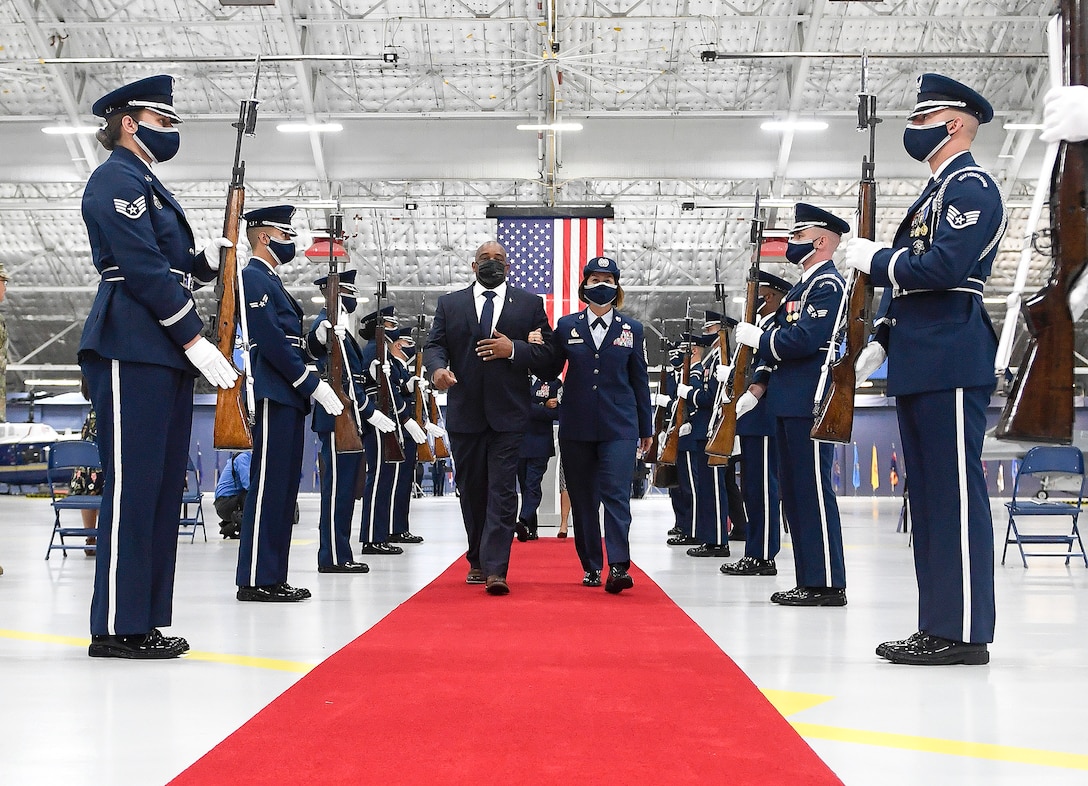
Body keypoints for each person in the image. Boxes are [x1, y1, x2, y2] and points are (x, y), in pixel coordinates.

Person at [846, 74, 1007, 665]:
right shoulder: (932, 195)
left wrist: (880, 261)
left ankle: (964, 630)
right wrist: (884, 336)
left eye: (922, 120)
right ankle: (939, 624)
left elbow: (942, 267)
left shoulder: (971, 187)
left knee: (955, 498)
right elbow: (913, 285)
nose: (912, 131)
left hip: (950, 354)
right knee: (932, 500)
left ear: (956, 123)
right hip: (921, 355)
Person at [79, 75, 238, 659]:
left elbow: (168, 263)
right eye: (163, 121)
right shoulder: (114, 179)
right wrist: (194, 336)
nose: (171, 133)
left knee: (161, 488)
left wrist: (205, 262)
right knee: (133, 486)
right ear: (129, 121)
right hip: (130, 341)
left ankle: (141, 619)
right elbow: (140, 267)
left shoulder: (145, 181)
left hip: (159, 346)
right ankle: (116, 625)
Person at [423, 240, 556, 595]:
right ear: (473, 265)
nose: (492, 263)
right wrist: (437, 370)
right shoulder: (449, 304)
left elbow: (547, 356)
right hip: (465, 413)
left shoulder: (529, 305)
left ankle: (497, 569)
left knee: (501, 491)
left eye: (499, 259)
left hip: (509, 415)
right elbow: (434, 345)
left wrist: (513, 348)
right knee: (471, 490)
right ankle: (477, 560)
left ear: (509, 267)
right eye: (485, 259)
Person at [734, 203, 849, 608]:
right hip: (788, 400)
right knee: (796, 493)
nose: (790, 243)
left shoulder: (827, 286)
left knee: (812, 491)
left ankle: (828, 582)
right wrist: (760, 381)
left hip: (809, 400)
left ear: (820, 242)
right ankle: (810, 579)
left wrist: (760, 340)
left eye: (798, 237)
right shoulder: (803, 287)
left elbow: (802, 341)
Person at [235, 204, 344, 602]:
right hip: (275, 389)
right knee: (267, 488)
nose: (290, 242)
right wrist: (309, 382)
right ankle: (255, 578)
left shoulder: (270, 280)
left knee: (282, 489)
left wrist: (316, 342)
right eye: (285, 235)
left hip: (288, 394)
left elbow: (292, 340)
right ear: (264, 237)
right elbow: (271, 341)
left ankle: (271, 575)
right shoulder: (252, 277)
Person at [550, 256, 653, 592]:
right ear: (584, 286)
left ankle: (619, 565)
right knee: (583, 499)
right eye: (594, 280)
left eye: (608, 280)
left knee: (616, 495)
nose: (601, 285)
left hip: (619, 426)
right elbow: (549, 368)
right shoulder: (566, 326)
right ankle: (592, 564)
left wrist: (646, 428)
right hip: (576, 426)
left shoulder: (632, 330)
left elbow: (639, 381)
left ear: (617, 287)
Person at [308, 271, 396, 573]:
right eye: (345, 290)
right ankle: (333, 556)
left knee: (346, 492)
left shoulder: (344, 332)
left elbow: (352, 379)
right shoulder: (325, 325)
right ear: (329, 293)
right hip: (336, 420)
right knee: (336, 493)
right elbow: (338, 376)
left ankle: (340, 553)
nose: (352, 297)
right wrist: (369, 411)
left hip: (350, 419)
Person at [721, 271, 791, 577]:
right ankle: (754, 550)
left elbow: (770, 367)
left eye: (761, 296)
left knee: (763, 489)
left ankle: (762, 554)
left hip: (763, 417)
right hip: (751, 418)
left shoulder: (777, 325)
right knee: (751, 489)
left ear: (773, 297)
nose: (757, 302)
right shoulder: (759, 328)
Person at [357, 307, 428, 555]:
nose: (394, 330)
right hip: (380, 420)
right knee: (379, 479)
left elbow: (394, 388)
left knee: (388, 479)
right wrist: (406, 417)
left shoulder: (381, 352)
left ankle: (382, 533)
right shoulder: (372, 351)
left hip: (389, 420)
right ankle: (373, 537)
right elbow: (377, 390)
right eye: (389, 326)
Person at [672, 329, 731, 559]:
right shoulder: (710, 362)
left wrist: (690, 394)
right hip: (701, 432)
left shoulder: (717, 361)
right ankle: (710, 537)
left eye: (709, 329)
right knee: (707, 489)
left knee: (713, 489)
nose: (705, 332)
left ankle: (717, 540)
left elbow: (710, 398)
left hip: (711, 430)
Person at [388, 327, 431, 543]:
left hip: (410, 431)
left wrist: (425, 423)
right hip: (400, 431)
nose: (411, 347)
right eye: (406, 343)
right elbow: (394, 397)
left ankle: (400, 527)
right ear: (397, 345)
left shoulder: (402, 368)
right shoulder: (393, 366)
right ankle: (394, 527)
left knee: (405, 482)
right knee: (398, 482)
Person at [515, 374, 561, 541]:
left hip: (540, 443)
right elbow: (514, 406)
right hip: (518, 442)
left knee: (533, 483)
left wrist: (529, 408)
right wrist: (542, 405)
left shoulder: (553, 383)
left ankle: (523, 520)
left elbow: (557, 413)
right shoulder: (515, 378)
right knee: (525, 486)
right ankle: (531, 529)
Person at [214, 450, 251, 539]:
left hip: (225, 502)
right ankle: (234, 525)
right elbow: (248, 484)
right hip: (225, 504)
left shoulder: (244, 457)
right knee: (252, 496)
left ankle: (231, 523)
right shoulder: (243, 458)